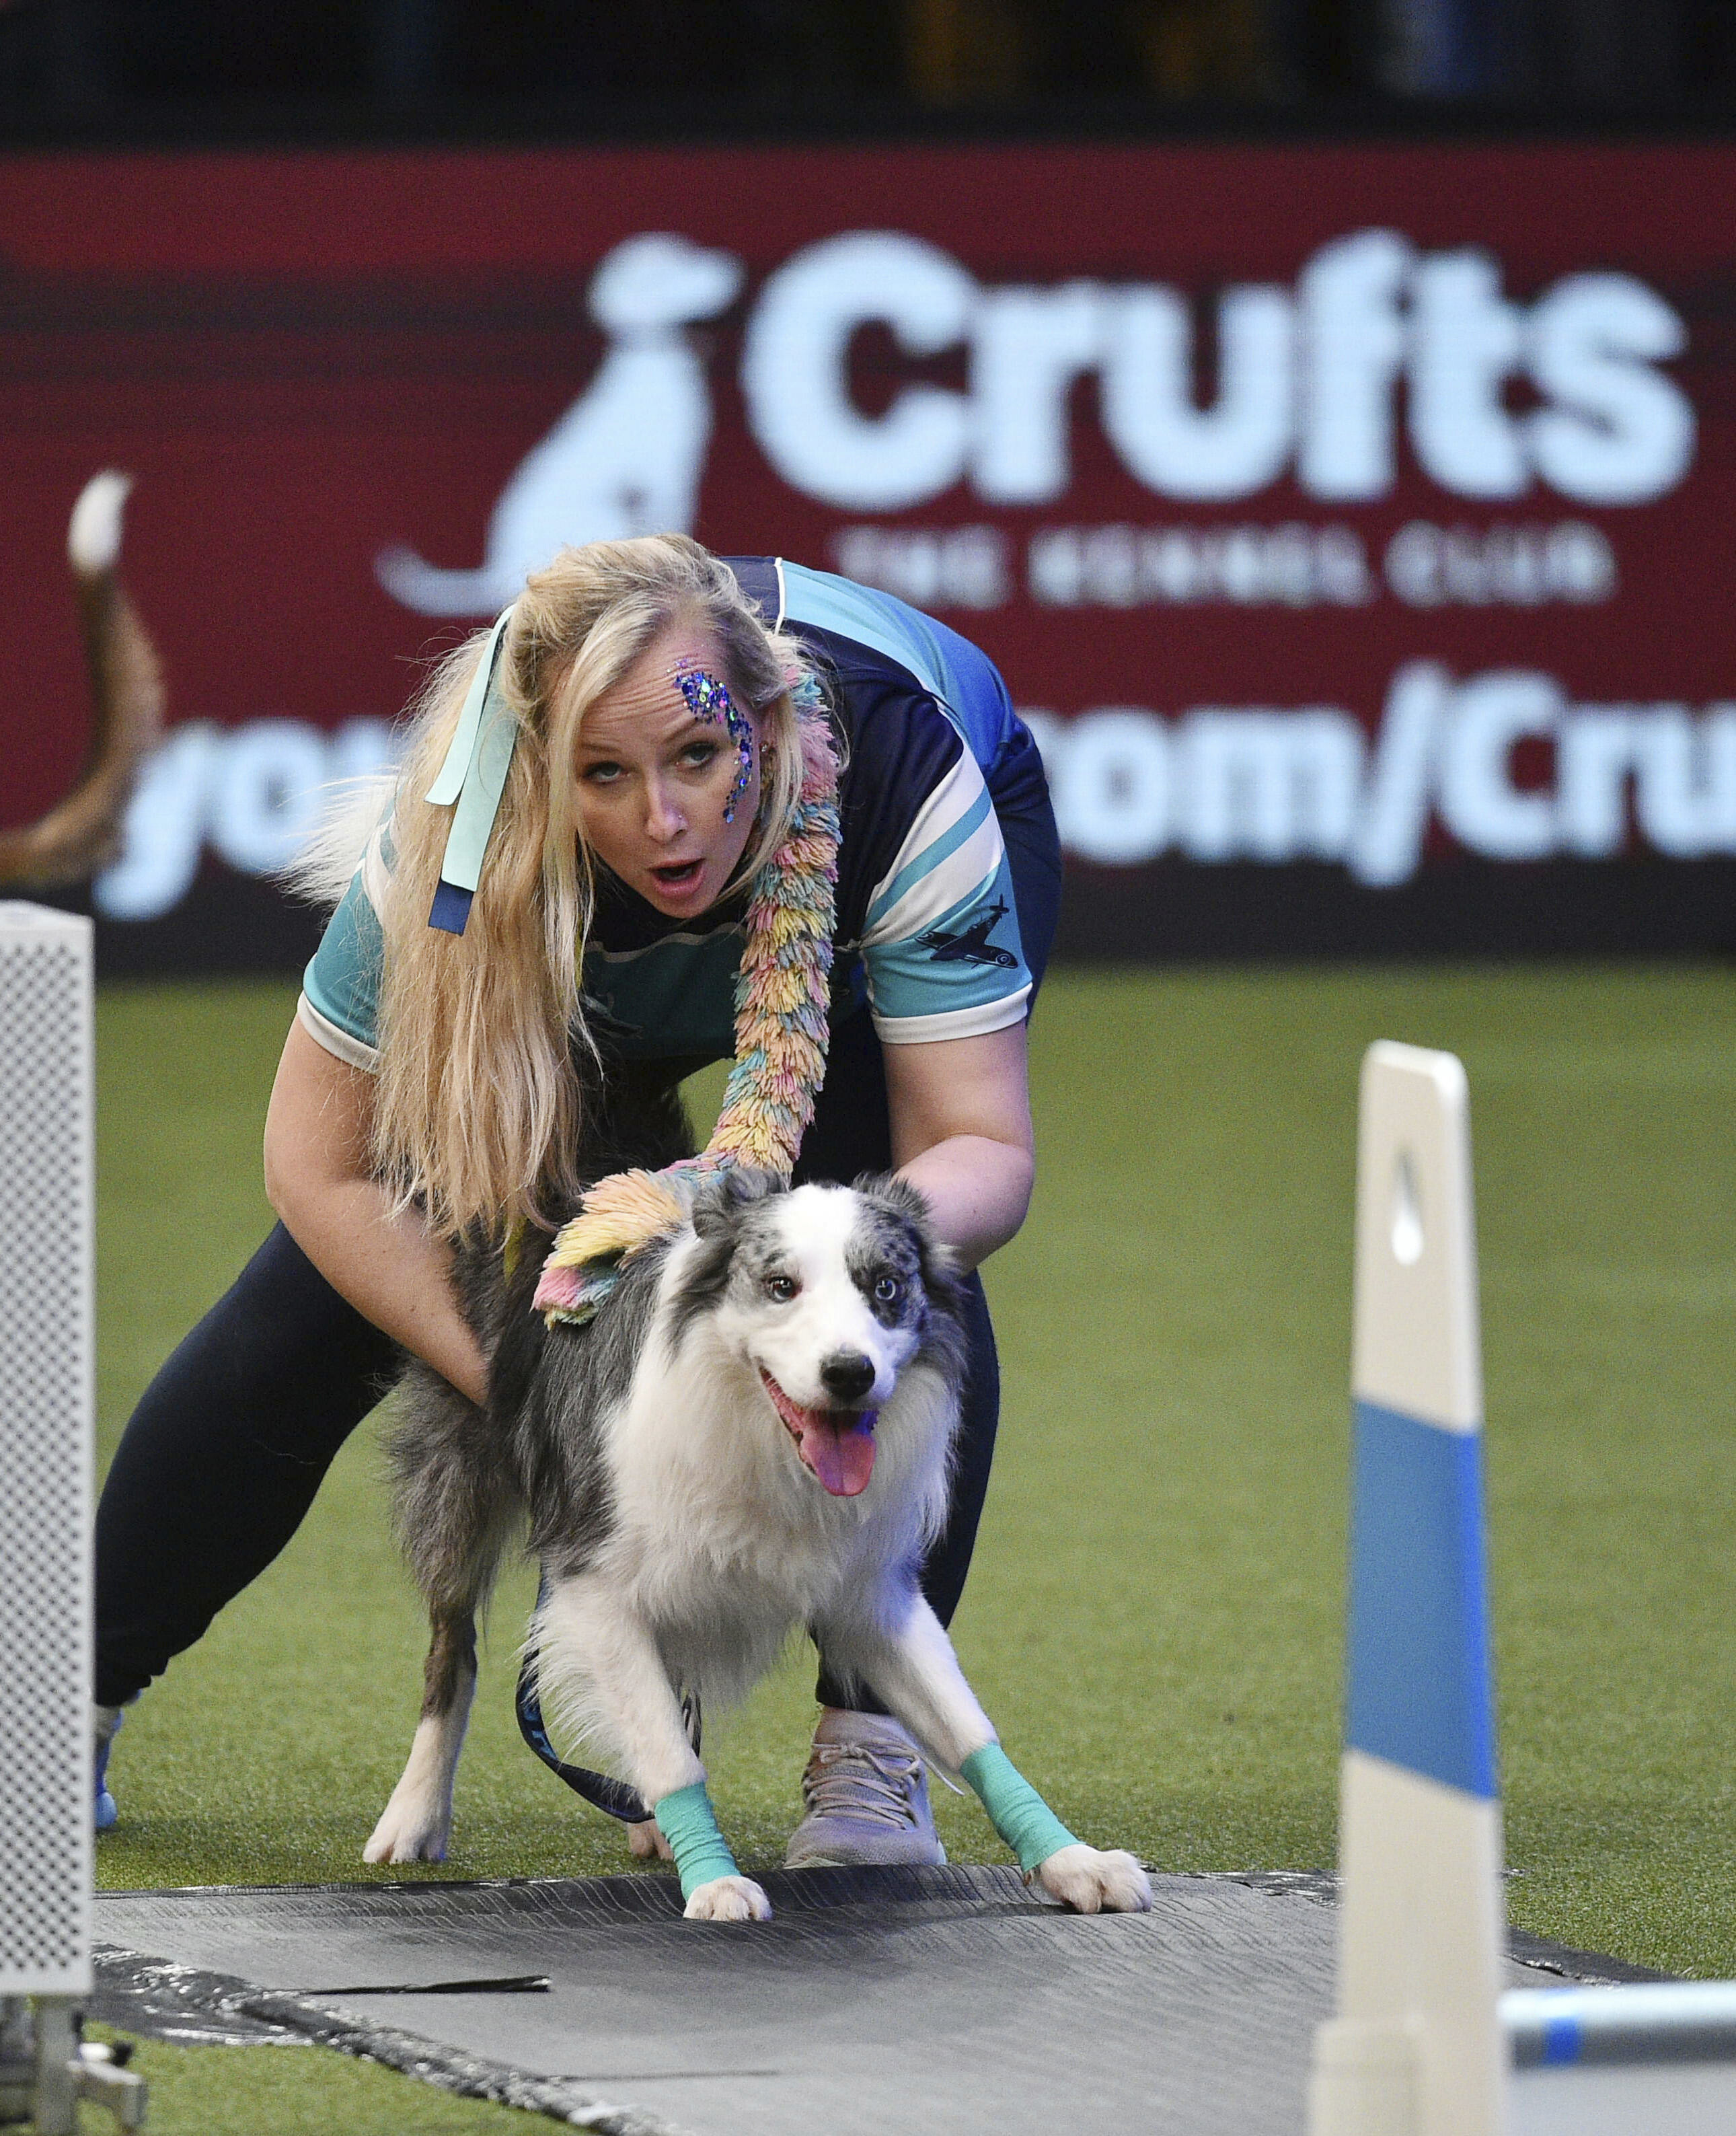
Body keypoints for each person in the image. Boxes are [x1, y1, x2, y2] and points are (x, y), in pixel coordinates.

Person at [93, 539, 1061, 1868]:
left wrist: (839, 1246)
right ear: (546, 768)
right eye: (605, 773)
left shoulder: (906, 774)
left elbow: (978, 1146)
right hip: (546, 950)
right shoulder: (447, 849)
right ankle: (63, 1702)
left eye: (699, 760)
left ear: (766, 727)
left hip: (834, 919)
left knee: (864, 1254)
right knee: (311, 1301)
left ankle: (871, 1758)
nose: (663, 820)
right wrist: (547, 1400)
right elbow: (317, 1171)